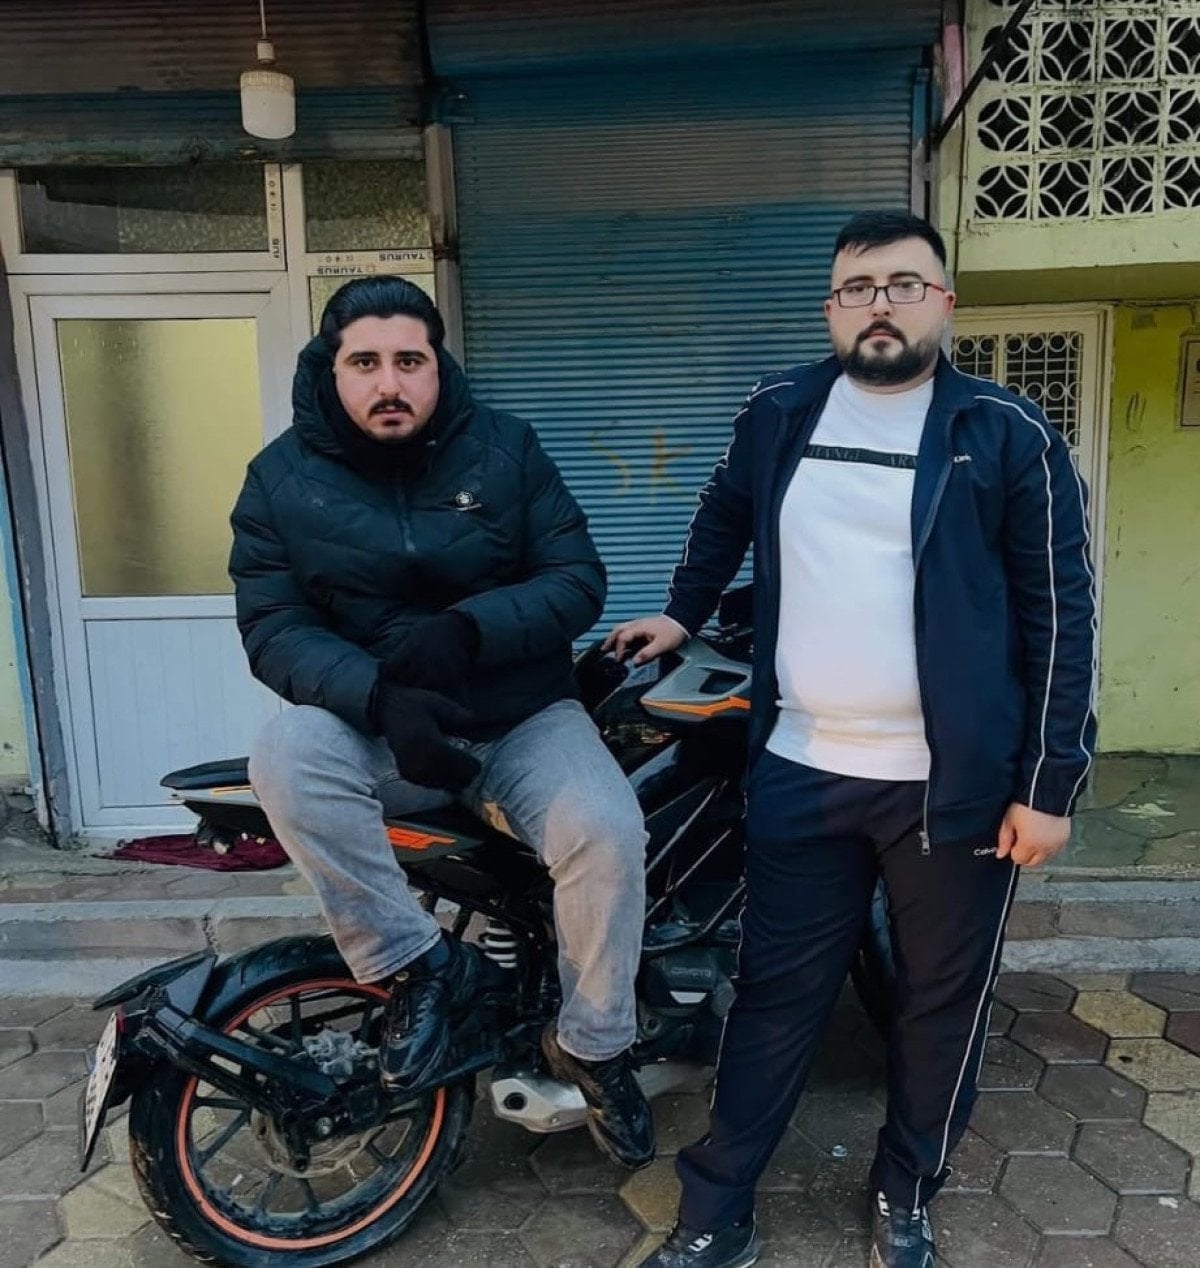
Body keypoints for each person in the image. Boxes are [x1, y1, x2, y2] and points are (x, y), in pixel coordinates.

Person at [607, 210, 1097, 1267]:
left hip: (954, 788)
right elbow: (723, 511)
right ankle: (718, 1204)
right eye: (858, 288)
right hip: (801, 766)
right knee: (775, 996)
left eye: (904, 284)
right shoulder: (780, 409)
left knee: (938, 1003)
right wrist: (684, 611)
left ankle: (907, 1190)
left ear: (945, 303)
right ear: (831, 309)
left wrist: (1050, 783)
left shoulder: (1008, 433)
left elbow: (1062, 616)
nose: (881, 304)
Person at [230, 276, 654, 1170]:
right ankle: (421, 967)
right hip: (373, 727)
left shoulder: (506, 449)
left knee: (607, 829)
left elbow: (577, 578)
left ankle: (593, 1043)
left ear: (438, 364)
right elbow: (273, 627)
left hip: (520, 718)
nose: (389, 383)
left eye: (408, 361)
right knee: (284, 751)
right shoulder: (278, 479)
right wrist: (378, 696)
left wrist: (467, 630)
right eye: (365, 363)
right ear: (331, 369)